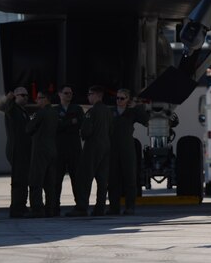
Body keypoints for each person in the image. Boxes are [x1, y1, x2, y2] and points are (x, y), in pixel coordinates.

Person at [67, 85, 112, 217]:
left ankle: (81, 207)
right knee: (102, 180)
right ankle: (100, 208)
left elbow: (86, 131)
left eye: (90, 94)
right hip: (106, 146)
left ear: (97, 95)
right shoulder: (108, 111)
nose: (88, 96)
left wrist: (83, 134)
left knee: (84, 177)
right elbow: (111, 129)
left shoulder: (91, 112)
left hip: (92, 147)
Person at [107, 88, 149, 215]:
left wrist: (138, 107)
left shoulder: (132, 112)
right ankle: (114, 207)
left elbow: (146, 121)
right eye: (117, 98)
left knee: (130, 178)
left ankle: (130, 207)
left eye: (122, 98)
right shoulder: (110, 112)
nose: (119, 101)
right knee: (113, 179)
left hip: (127, 148)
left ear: (127, 100)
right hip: (112, 148)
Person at [0, 86, 31, 218]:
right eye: (22, 95)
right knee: (18, 180)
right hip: (17, 150)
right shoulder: (12, 110)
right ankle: (17, 208)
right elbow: (6, 108)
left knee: (24, 179)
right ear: (16, 97)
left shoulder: (23, 111)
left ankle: (22, 205)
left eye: (27, 95)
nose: (26, 97)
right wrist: (8, 99)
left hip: (24, 150)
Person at [26, 89, 59, 217]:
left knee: (35, 181)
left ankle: (37, 209)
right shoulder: (55, 113)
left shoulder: (40, 113)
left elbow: (28, 128)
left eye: (39, 98)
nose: (36, 100)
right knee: (50, 183)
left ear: (45, 99)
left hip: (40, 151)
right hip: (52, 150)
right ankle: (50, 209)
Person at [53, 84, 84, 216]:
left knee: (77, 179)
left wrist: (64, 124)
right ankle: (54, 207)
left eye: (70, 93)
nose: (68, 95)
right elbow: (55, 126)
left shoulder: (77, 109)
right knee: (56, 180)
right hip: (59, 149)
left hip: (74, 148)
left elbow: (81, 123)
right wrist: (71, 122)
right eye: (66, 93)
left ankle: (80, 206)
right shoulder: (54, 110)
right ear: (59, 94)